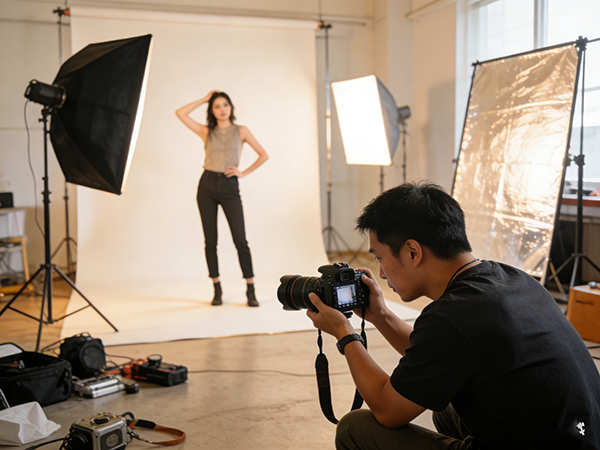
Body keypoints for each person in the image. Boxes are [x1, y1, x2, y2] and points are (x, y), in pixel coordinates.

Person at [306, 181, 600, 450]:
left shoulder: (451, 316)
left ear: (412, 252)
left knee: (355, 428)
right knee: (444, 404)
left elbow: (387, 410)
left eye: (380, 257)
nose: (381, 273)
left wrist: (345, 333)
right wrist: (380, 315)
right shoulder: (512, 277)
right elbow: (441, 352)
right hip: (583, 438)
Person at [176, 90, 268, 307]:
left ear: (231, 107)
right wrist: (204, 99)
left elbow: (263, 154)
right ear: (212, 110)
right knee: (211, 240)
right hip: (207, 186)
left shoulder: (241, 131)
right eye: (216, 106)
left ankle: (250, 289)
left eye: (225, 104)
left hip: (229, 186)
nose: (222, 109)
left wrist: (243, 172)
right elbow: (180, 113)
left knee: (240, 239)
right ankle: (216, 288)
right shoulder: (207, 132)